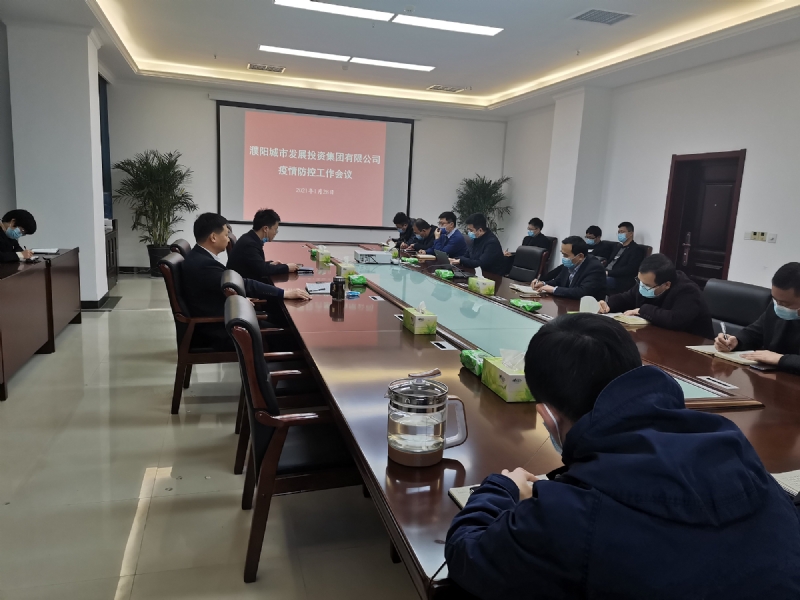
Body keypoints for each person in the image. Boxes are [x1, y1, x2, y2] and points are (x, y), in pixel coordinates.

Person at [445, 313, 800, 600]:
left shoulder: (569, 513)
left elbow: (468, 554)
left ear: (548, 417)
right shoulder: (734, 448)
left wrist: (501, 488)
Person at [181, 213, 310, 349]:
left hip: (226, 317)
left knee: (280, 321)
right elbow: (242, 283)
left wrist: (240, 299)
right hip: (219, 329)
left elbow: (222, 287)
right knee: (291, 338)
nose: (228, 240)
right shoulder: (204, 265)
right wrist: (284, 293)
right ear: (213, 237)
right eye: (226, 235)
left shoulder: (199, 258)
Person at [599, 253, 713, 338]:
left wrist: (642, 310)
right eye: (639, 281)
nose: (641, 286)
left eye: (647, 285)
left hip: (690, 346)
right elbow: (626, 298)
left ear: (667, 285)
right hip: (656, 338)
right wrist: (608, 305)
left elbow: (675, 320)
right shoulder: (645, 282)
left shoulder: (688, 290)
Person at [714, 262, 800, 374]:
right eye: (775, 299)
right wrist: (735, 341)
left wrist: (781, 359)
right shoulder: (776, 306)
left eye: (785, 304)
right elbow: (754, 333)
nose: (779, 306)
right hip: (771, 376)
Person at [227, 209, 298, 282]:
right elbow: (263, 271)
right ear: (265, 229)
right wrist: (287, 267)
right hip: (246, 284)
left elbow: (256, 265)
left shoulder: (249, 238)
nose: (275, 233)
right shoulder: (250, 244)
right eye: (275, 229)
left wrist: (270, 264)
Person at [530, 236, 606, 300]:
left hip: (586, 308)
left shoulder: (595, 268)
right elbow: (558, 281)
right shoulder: (571, 263)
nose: (564, 258)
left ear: (580, 256)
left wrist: (554, 290)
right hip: (567, 303)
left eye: (566, 255)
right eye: (563, 254)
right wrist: (543, 283)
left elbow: (583, 292)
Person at [606, 221, 645, 294]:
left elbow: (630, 269)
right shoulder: (618, 247)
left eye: (622, 232)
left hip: (619, 279)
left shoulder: (636, 249)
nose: (619, 234)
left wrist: (609, 273)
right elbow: (610, 262)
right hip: (607, 272)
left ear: (631, 234)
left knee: (597, 280)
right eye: (619, 232)